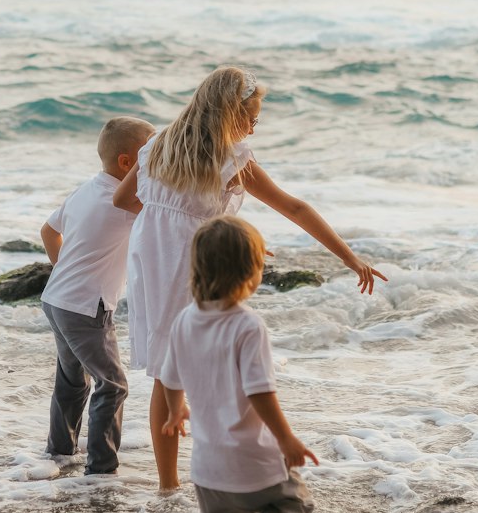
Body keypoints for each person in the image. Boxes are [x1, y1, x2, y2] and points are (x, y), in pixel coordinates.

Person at [113, 65, 386, 490]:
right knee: (200, 366)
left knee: (167, 371)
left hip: (150, 258)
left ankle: (170, 485)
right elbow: (293, 208)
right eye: (251, 120)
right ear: (228, 112)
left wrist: (173, 223)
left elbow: (124, 199)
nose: (252, 131)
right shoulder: (231, 158)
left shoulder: (156, 146)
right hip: (193, 261)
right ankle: (229, 472)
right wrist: (351, 258)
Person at [160, 215, 317, 513]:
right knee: (294, 504)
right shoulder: (248, 325)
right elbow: (259, 390)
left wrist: (176, 412)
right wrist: (286, 439)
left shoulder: (184, 320)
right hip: (253, 461)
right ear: (250, 272)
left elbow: (169, 376)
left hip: (208, 467)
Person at [40, 115, 155, 475]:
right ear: (127, 163)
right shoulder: (125, 204)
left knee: (72, 381)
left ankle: (59, 453)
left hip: (56, 298)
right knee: (114, 384)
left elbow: (48, 232)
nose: (157, 162)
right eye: (150, 156)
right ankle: (101, 470)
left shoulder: (88, 188)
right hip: (85, 308)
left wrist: (66, 271)